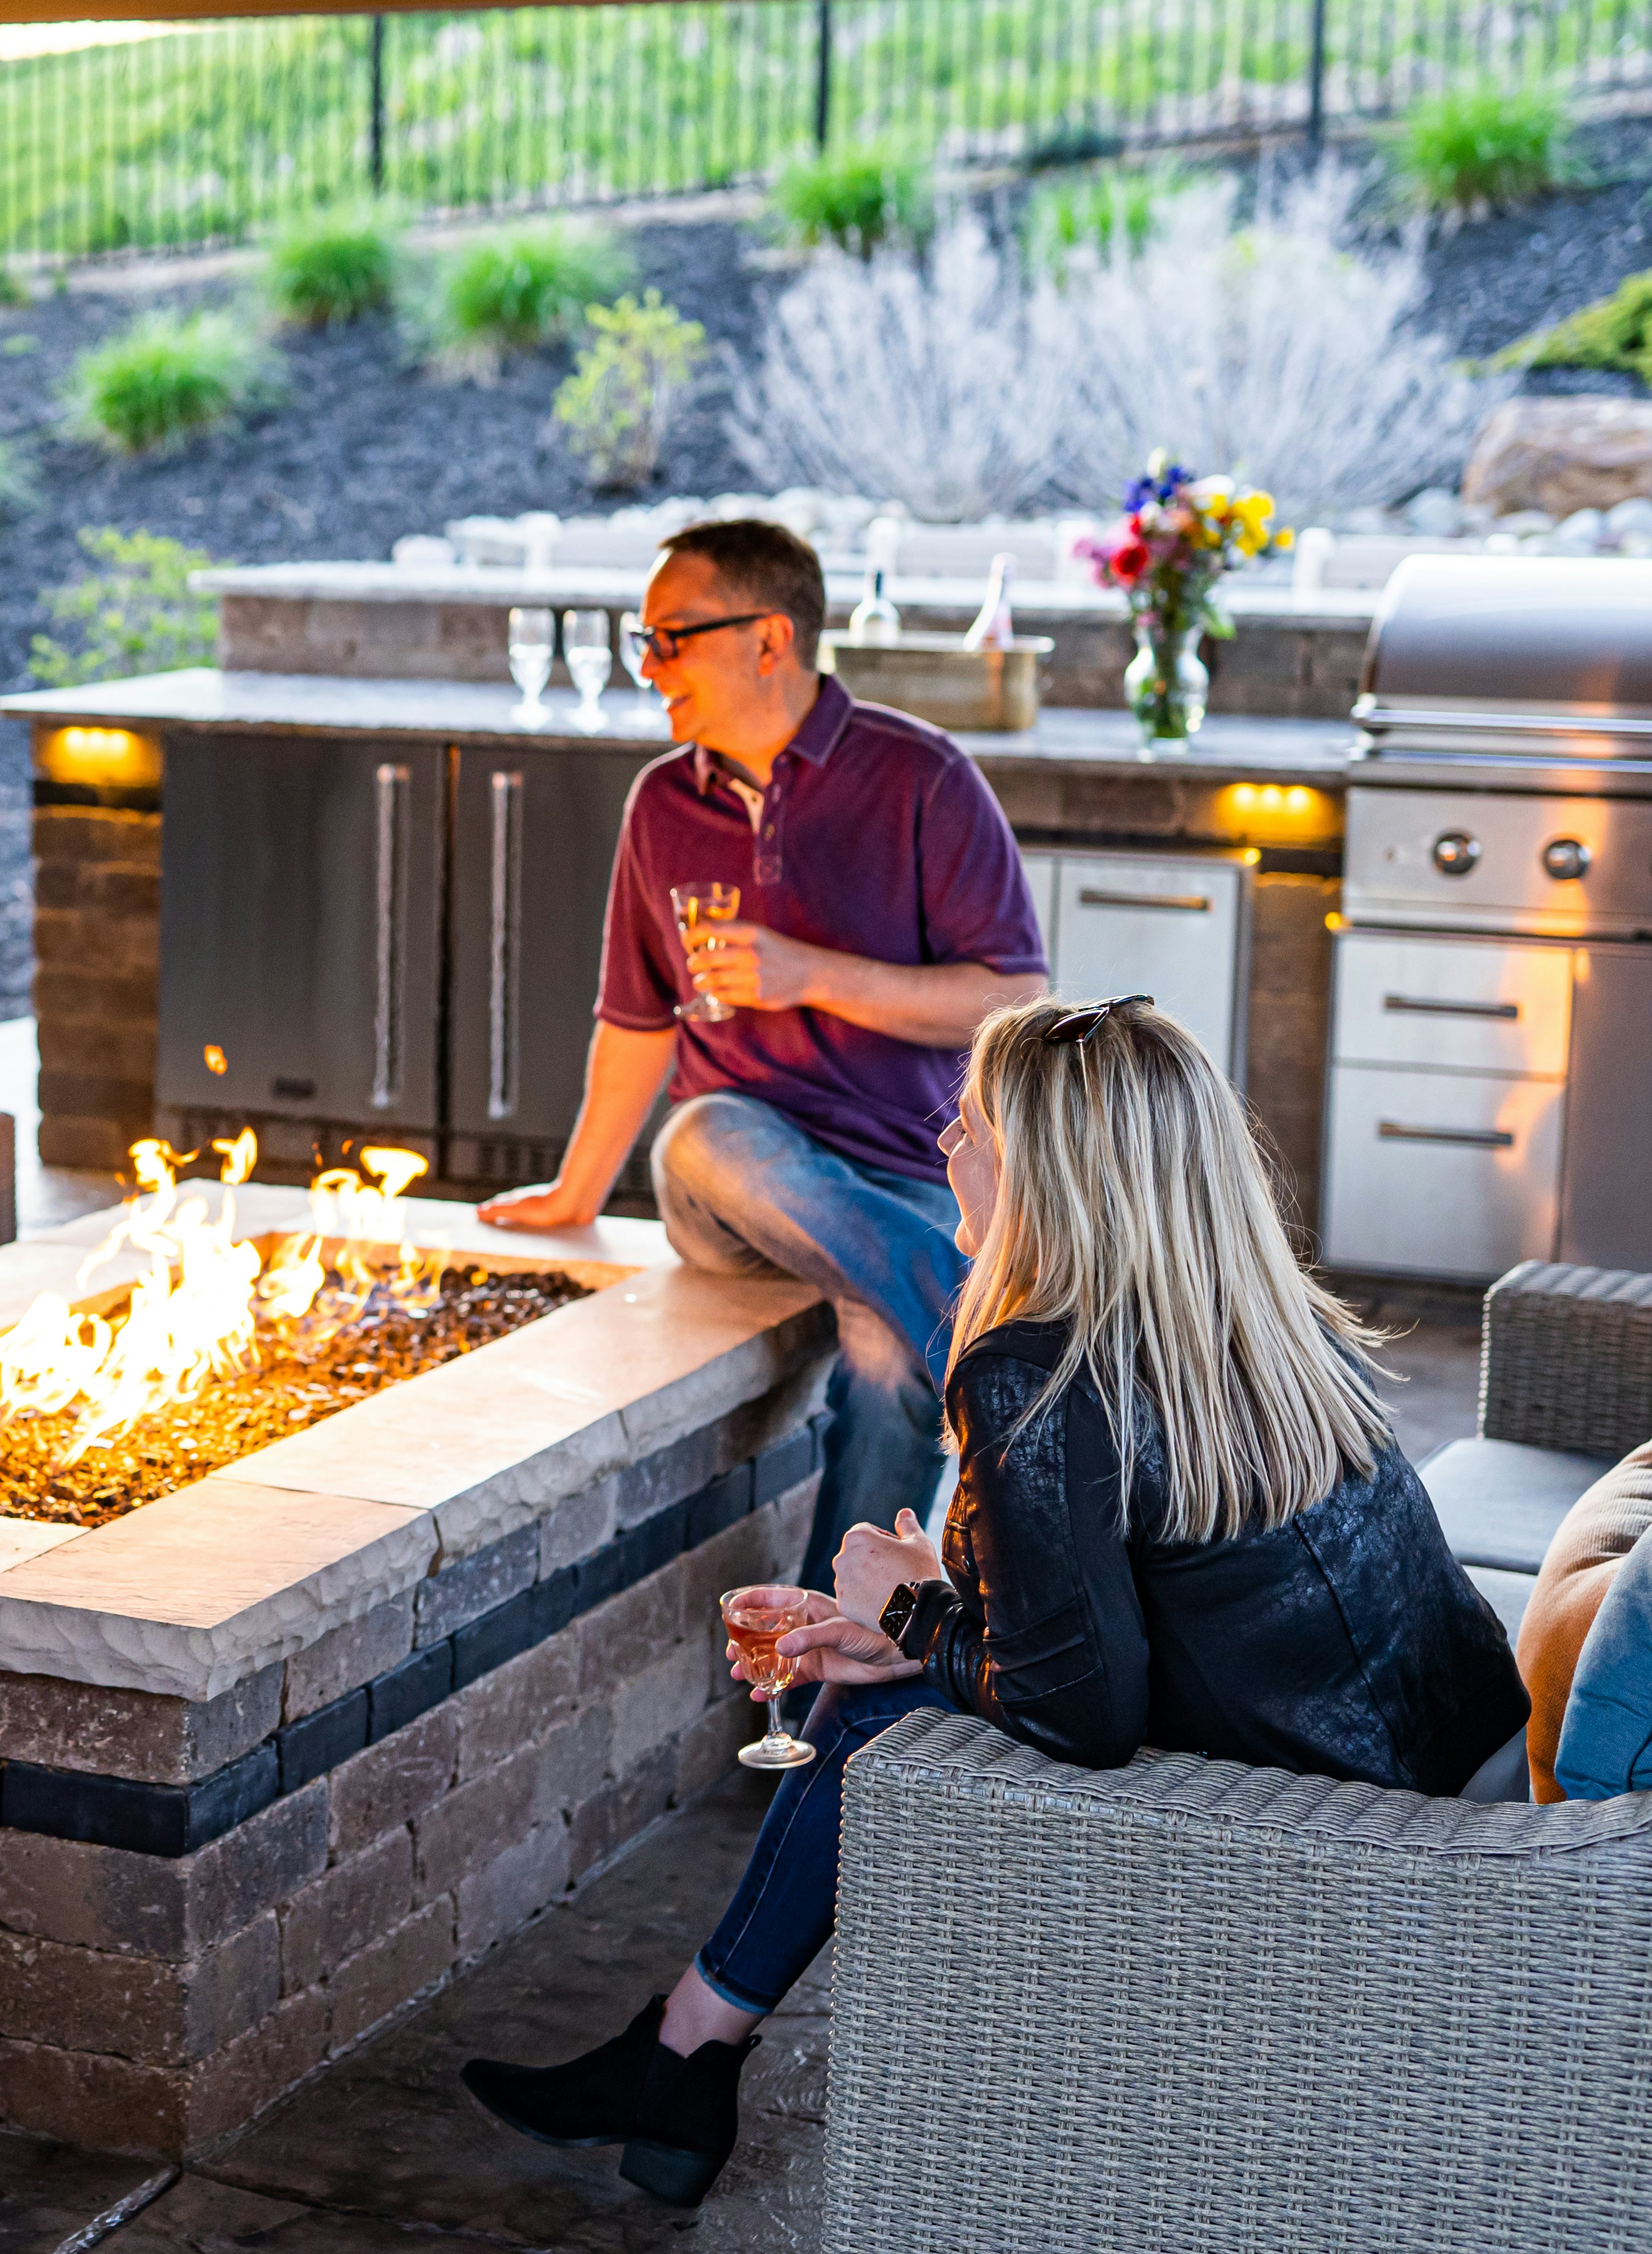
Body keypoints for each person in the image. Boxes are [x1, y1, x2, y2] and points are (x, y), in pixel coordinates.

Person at [460, 995, 1528, 2208]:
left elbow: (1084, 1714)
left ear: (1046, 1176)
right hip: (1441, 1750)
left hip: (1351, 1838)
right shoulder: (1253, 1316)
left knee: (876, 1718)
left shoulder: (1034, 1363)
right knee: (886, 1677)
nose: (942, 1150)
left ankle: (682, 2055)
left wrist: (917, 1621)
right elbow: (1187, 1570)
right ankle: (683, 2049)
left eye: (967, 1124)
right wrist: (944, 1598)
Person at [482, 519, 1050, 1589]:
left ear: (768, 638)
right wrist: (575, 1191)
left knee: (887, 1366)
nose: (646, 664)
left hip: (902, 1174)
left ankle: (832, 1683)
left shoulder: (922, 777)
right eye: (641, 638)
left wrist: (809, 972)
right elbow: (639, 1018)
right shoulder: (660, 801)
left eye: (668, 636)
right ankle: (983, 1339)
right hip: (734, 1179)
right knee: (701, 1130)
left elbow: (1016, 998)